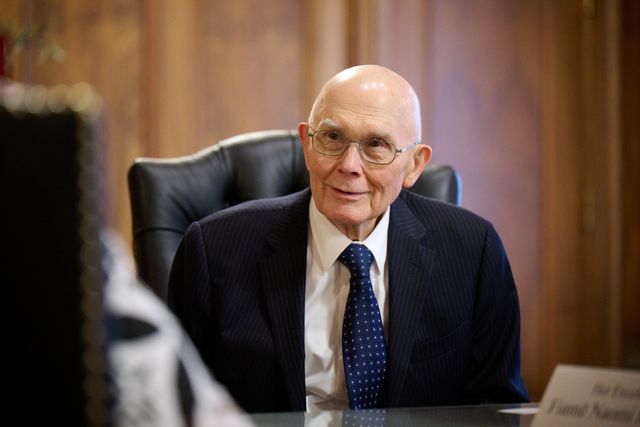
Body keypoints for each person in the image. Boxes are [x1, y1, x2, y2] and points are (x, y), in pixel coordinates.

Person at [168, 64, 529, 413]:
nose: (349, 165)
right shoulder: (213, 249)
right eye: (333, 137)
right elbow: (174, 403)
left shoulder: (473, 251)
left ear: (414, 165)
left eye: (376, 145)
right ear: (307, 145)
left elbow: (493, 406)